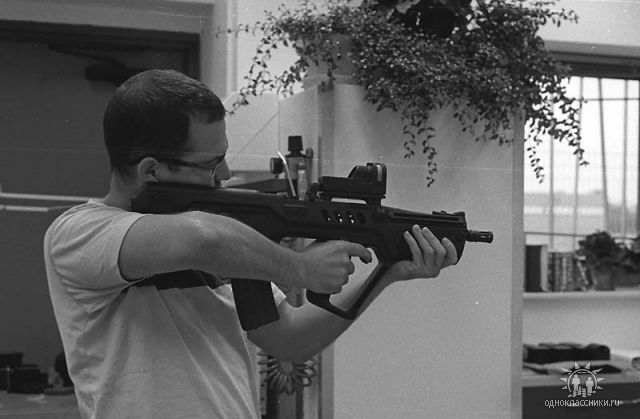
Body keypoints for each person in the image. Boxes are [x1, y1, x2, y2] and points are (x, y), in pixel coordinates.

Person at [44, 69, 458, 419]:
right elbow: (202, 238)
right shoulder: (79, 233)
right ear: (151, 170)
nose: (225, 173)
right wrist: (299, 267)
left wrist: (385, 274)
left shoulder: (229, 241)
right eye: (211, 163)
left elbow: (290, 341)